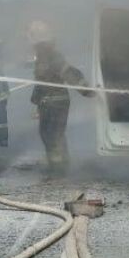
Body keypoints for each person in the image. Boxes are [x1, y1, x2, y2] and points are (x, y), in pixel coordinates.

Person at [27, 22, 93, 176]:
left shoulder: (49, 57)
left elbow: (68, 73)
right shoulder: (46, 57)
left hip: (53, 103)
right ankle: (61, 164)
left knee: (50, 134)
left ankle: (58, 169)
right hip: (54, 102)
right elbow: (41, 83)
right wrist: (36, 101)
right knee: (56, 134)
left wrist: (85, 90)